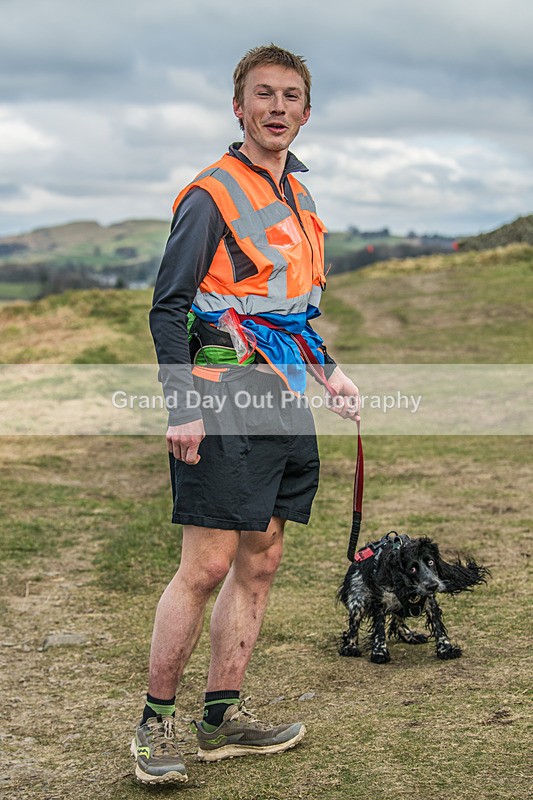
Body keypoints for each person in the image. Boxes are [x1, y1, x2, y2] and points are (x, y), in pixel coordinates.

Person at [131, 44, 360, 785]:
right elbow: (169, 309)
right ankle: (154, 726)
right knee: (206, 565)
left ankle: (220, 719)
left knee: (262, 558)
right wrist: (183, 407)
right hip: (220, 396)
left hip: (282, 398)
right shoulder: (211, 195)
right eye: (264, 95)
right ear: (239, 107)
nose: (278, 108)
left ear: (305, 110)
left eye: (291, 97)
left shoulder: (300, 193)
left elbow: (284, 311)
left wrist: (328, 372)